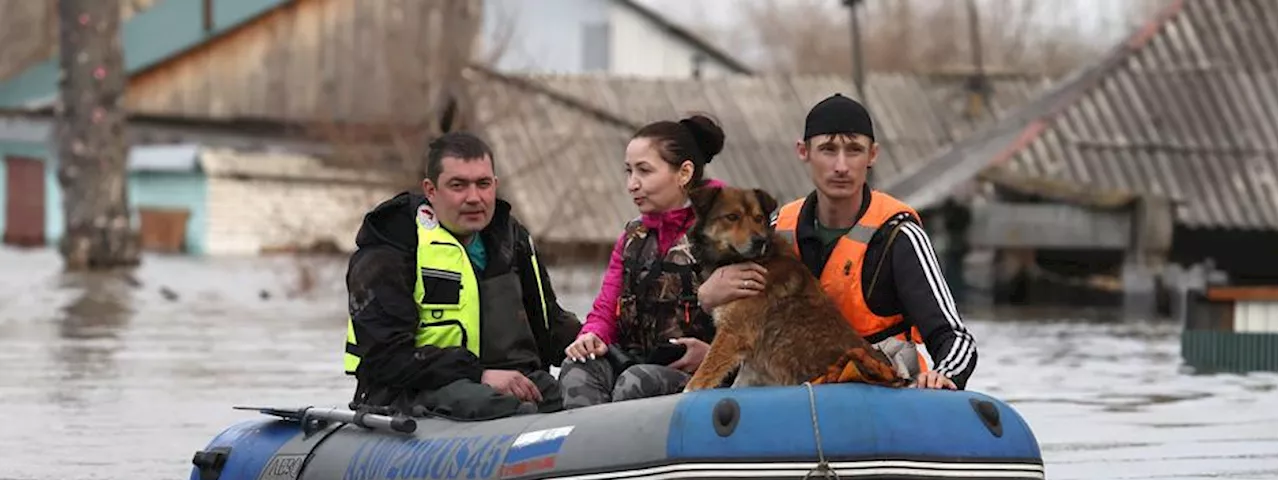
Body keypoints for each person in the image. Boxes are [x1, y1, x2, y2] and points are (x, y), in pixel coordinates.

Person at [697, 93, 978, 390]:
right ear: (804, 152)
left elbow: (954, 336)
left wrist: (944, 373)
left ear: (872, 155)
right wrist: (706, 297)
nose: (841, 166)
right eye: (828, 150)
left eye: (854, 150)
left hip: (880, 385)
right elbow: (736, 326)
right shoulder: (775, 230)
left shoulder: (899, 235)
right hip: (792, 386)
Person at [343, 131, 582, 419]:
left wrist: (597, 341)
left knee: (575, 395)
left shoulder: (512, 241)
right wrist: (478, 373)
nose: (474, 198)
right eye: (458, 185)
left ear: (495, 185)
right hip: (411, 392)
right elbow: (384, 358)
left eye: (483, 184)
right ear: (431, 190)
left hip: (504, 384)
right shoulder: (391, 246)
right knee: (495, 406)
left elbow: (550, 326)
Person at [558, 115, 727, 408]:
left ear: (684, 173)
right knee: (577, 371)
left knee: (635, 383)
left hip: (703, 372)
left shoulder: (726, 232)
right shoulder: (633, 236)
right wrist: (592, 336)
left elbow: (754, 318)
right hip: (638, 361)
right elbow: (606, 308)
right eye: (629, 171)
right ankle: (591, 452)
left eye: (644, 171)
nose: (631, 185)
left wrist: (714, 355)